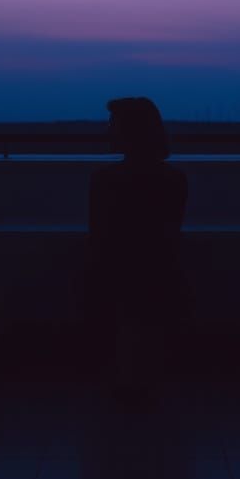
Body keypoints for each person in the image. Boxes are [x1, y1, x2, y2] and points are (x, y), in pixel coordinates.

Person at [85, 97, 190, 400]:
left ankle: (127, 379)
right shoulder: (174, 179)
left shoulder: (104, 180)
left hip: (119, 273)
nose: (107, 130)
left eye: (112, 124)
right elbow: (168, 235)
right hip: (160, 272)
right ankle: (139, 378)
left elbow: (99, 236)